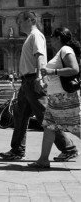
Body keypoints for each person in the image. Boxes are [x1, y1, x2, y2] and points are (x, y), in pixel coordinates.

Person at [0, 11, 77, 161]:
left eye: (20, 20)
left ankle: (69, 148)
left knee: (45, 116)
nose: (18, 23)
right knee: (20, 115)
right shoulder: (30, 37)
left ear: (29, 20)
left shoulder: (36, 35)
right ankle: (17, 150)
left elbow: (40, 56)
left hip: (32, 80)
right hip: (26, 82)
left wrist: (40, 78)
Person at [30, 27, 81, 168]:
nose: (50, 39)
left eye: (52, 36)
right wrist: (47, 84)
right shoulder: (60, 52)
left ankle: (43, 159)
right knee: (49, 128)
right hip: (55, 97)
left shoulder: (65, 50)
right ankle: (43, 159)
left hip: (64, 98)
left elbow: (75, 69)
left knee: (75, 128)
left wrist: (52, 71)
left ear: (58, 38)